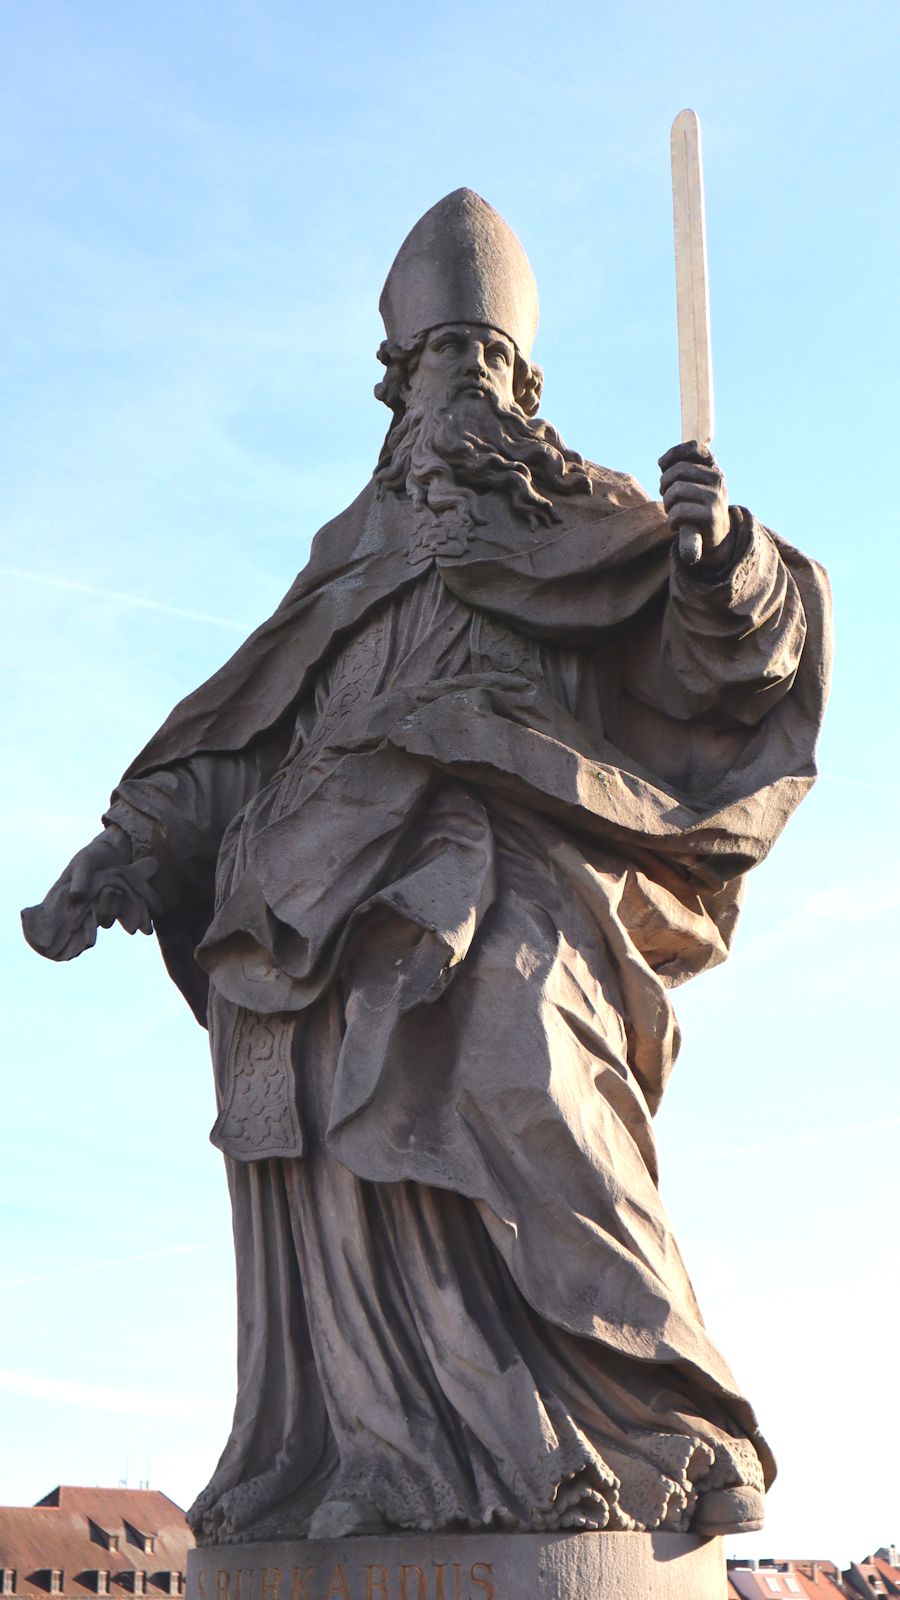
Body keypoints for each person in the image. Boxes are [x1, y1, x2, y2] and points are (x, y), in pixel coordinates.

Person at [23, 190, 831, 1546]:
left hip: (513, 841)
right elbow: (240, 733)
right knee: (314, 1065)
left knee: (522, 1030)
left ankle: (659, 1418)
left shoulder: (599, 521)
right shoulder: (347, 554)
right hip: (308, 895)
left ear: (529, 385)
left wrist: (715, 560)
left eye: (492, 360)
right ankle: (376, 1449)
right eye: (442, 359)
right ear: (398, 388)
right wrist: (128, 848)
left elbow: (721, 665)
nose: (469, 382)